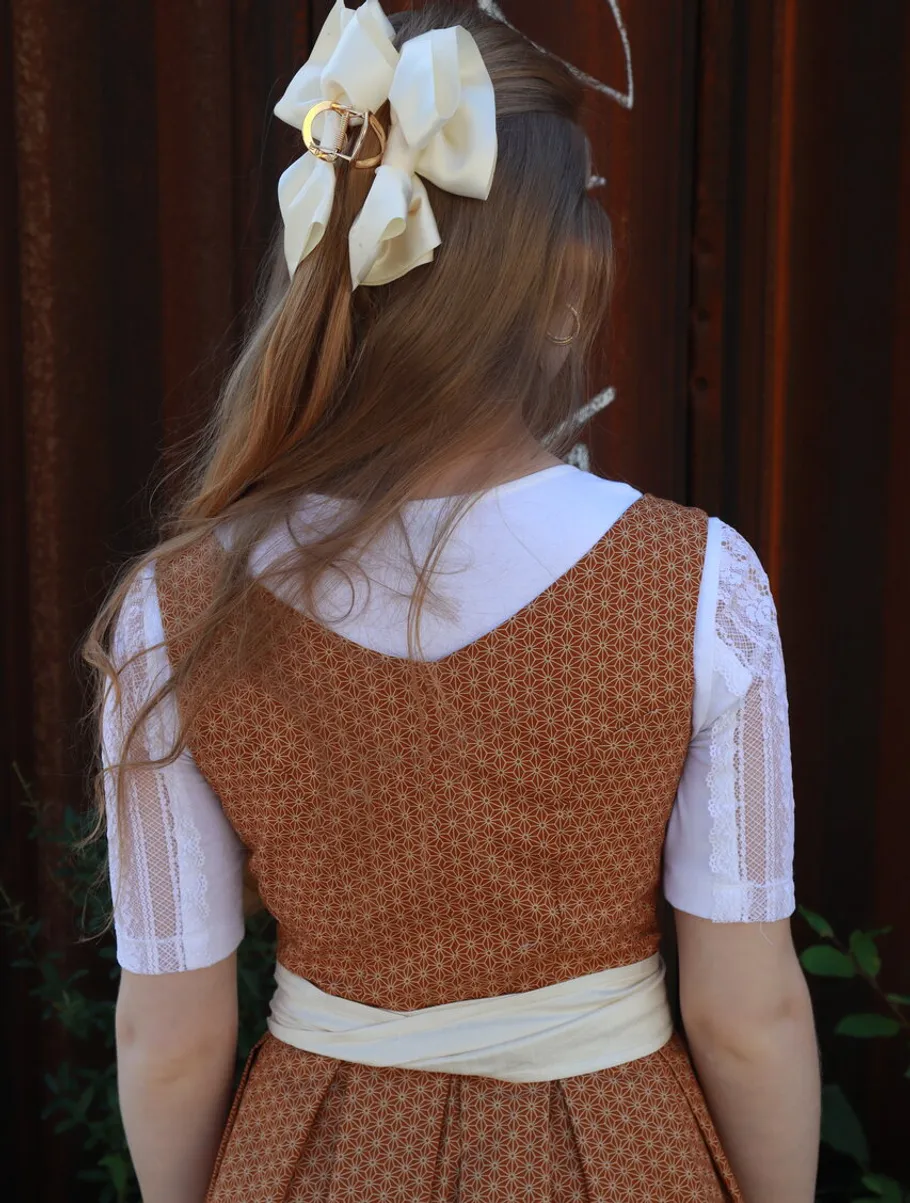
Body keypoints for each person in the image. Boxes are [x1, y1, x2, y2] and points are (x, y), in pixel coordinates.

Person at [83, 2, 821, 1200]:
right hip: (620, 1156)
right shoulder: (697, 582)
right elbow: (748, 1015)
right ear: (564, 288)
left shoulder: (182, 604)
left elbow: (165, 1044)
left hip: (318, 1157)